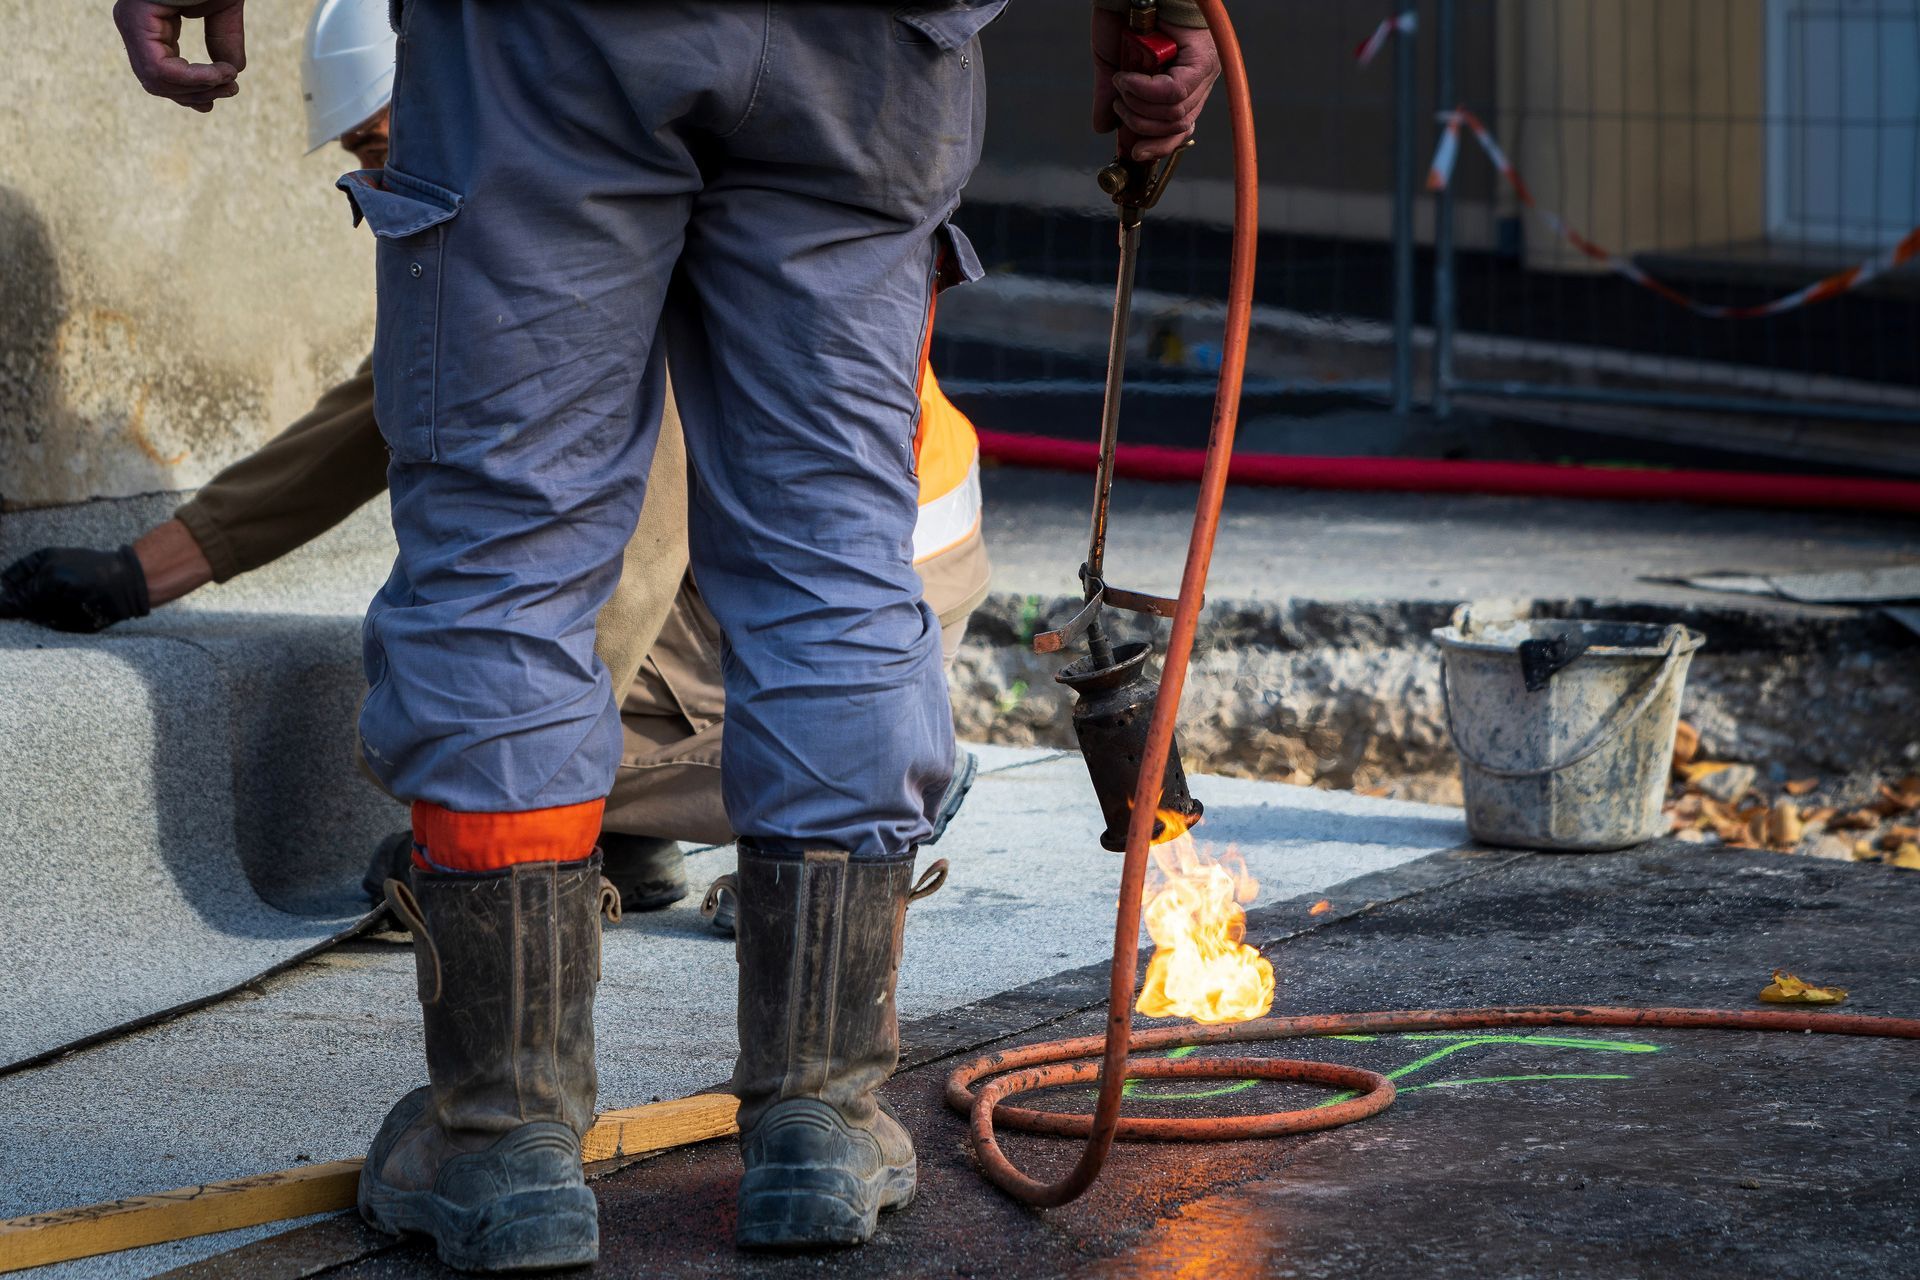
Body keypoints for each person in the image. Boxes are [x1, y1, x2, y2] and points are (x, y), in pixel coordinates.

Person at [108, 0, 1218, 1268]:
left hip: (558, 33)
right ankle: (816, 1119)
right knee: (831, 553)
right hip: (869, 43)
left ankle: (505, 1137)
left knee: (510, 553)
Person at [8, 0, 991, 919]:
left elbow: (615, 547)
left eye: (385, 146)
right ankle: (793, 957)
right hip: (875, 557)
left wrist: (520, 795)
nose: (386, 182)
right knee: (737, 633)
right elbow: (371, 413)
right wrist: (139, 571)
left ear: (431, 96)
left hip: (860, 578)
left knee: (467, 680)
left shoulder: (613, 228)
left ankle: (872, 799)